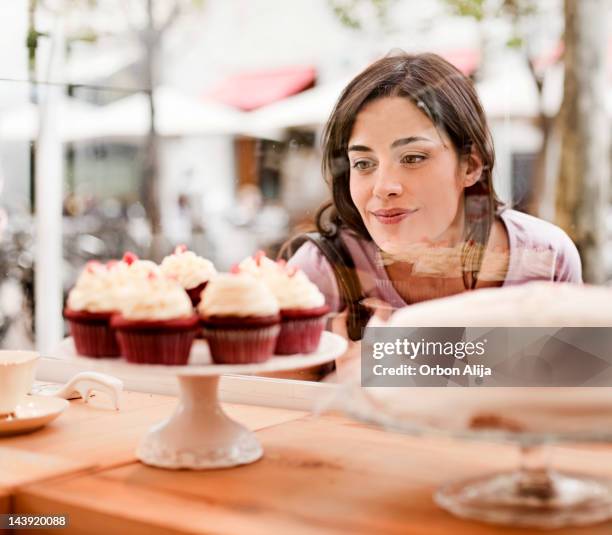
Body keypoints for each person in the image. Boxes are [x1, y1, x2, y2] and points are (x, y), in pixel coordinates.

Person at [284, 52, 582, 367]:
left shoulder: (546, 257)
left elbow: (581, 391)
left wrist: (386, 368)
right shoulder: (323, 271)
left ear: (470, 165)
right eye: (363, 163)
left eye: (413, 157)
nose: (383, 187)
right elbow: (264, 402)